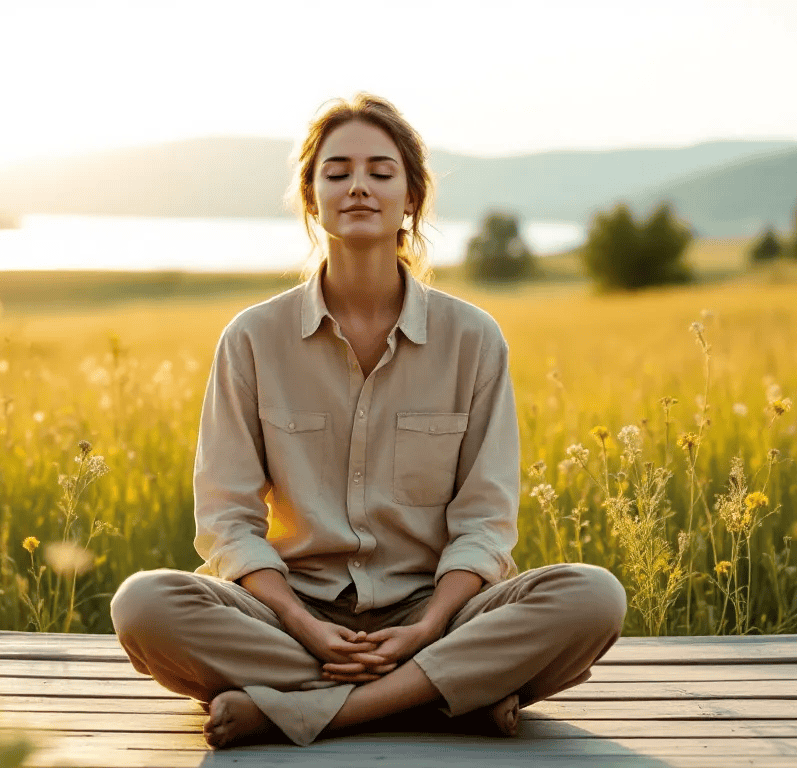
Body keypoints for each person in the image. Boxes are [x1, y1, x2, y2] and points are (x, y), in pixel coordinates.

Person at [109, 93, 626, 749]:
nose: (359, 186)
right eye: (338, 171)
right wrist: (303, 624)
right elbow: (229, 521)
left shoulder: (473, 339)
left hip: (439, 608)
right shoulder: (252, 339)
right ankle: (442, 697)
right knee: (144, 606)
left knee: (592, 599)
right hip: (292, 608)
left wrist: (429, 626)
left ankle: (311, 709)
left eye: (381, 172)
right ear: (310, 195)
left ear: (410, 197)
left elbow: (485, 520)